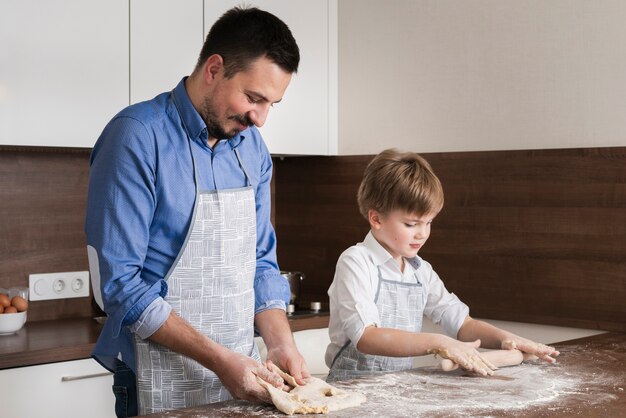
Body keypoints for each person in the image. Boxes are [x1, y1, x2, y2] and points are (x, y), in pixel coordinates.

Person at [85, 6, 309, 417]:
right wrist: (220, 360)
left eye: (272, 103)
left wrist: (280, 344)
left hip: (245, 375)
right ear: (214, 68)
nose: (259, 118)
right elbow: (121, 286)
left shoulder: (252, 148)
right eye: (254, 97)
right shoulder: (136, 137)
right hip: (157, 377)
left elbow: (260, 262)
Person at [324, 149, 560, 382]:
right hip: (350, 387)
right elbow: (367, 336)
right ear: (376, 218)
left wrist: (507, 339)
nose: (422, 234)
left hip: (398, 387)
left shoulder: (420, 271)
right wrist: (439, 343)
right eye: (411, 224)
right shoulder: (355, 262)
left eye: (429, 223)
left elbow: (461, 323)